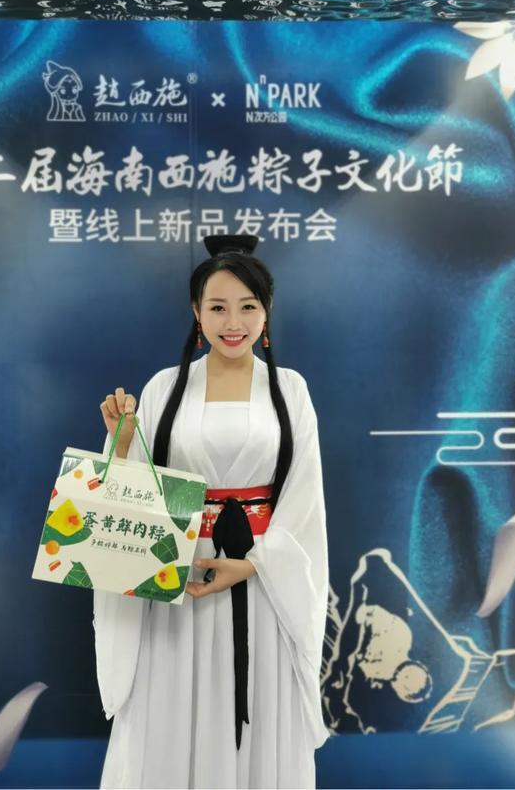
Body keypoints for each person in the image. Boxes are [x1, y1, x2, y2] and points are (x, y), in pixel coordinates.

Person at [94, 233, 330, 789]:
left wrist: (252, 565)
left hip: (262, 581)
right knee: (170, 712)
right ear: (196, 313)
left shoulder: (289, 389)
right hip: (179, 580)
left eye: (248, 306)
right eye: (218, 307)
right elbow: (134, 496)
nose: (233, 322)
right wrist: (122, 444)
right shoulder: (164, 388)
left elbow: (304, 497)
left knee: (258, 715)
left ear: (266, 312)